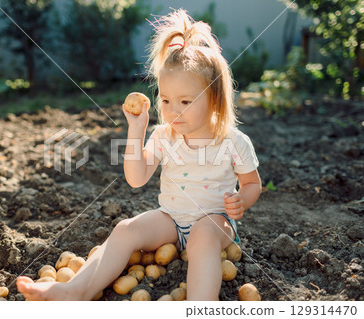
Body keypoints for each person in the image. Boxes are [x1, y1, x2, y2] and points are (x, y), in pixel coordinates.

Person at [16, 9, 262, 301]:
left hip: (215, 221)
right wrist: (137, 129)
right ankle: (74, 290)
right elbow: (136, 179)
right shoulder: (164, 135)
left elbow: (252, 184)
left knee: (203, 238)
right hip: (171, 219)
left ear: (215, 99)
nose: (173, 110)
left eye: (185, 101)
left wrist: (241, 201)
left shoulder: (233, 141)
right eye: (167, 100)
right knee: (125, 229)